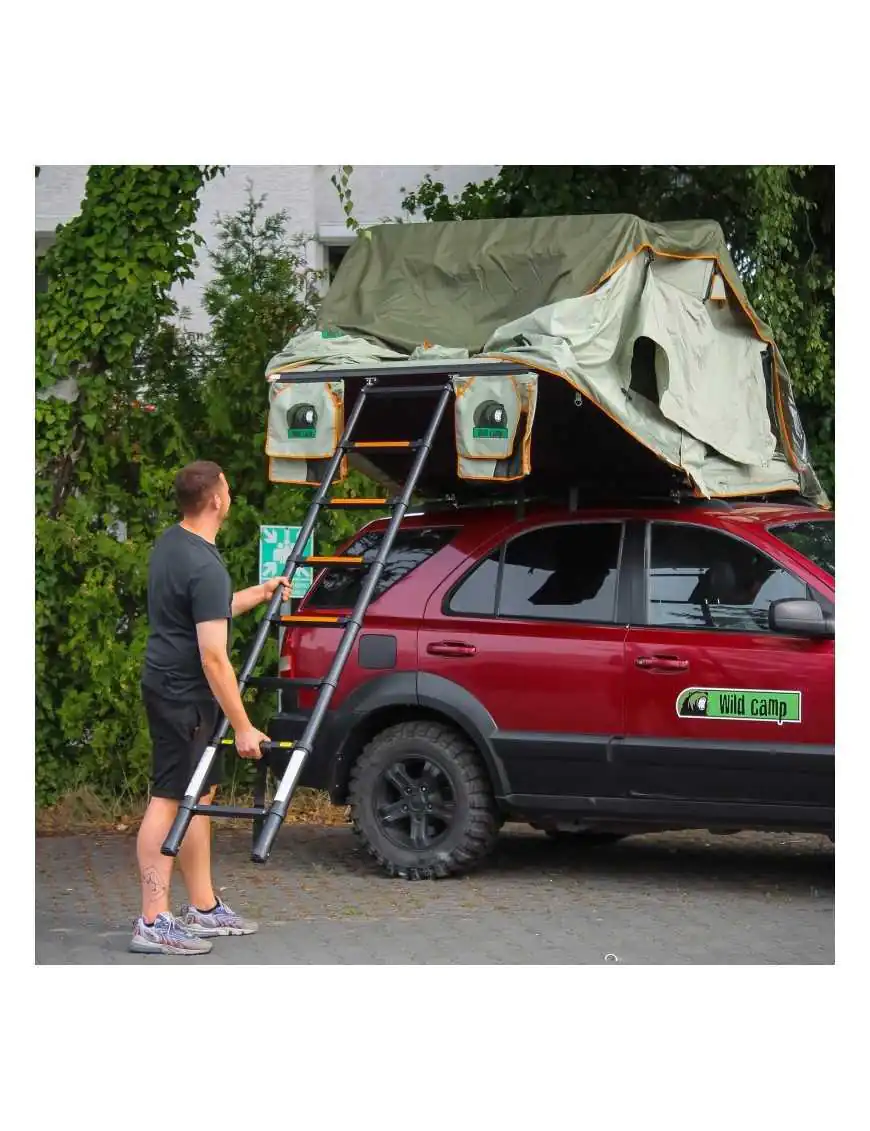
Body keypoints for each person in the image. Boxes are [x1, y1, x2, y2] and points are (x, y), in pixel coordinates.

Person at [130, 460, 289, 955]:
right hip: (184, 693)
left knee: (199, 791)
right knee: (170, 797)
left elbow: (204, 610)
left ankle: (202, 906)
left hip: (174, 686)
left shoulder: (174, 544)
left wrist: (256, 595)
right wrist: (243, 726)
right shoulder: (203, 563)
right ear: (217, 500)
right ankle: (153, 919)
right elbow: (214, 657)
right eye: (228, 487)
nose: (231, 493)